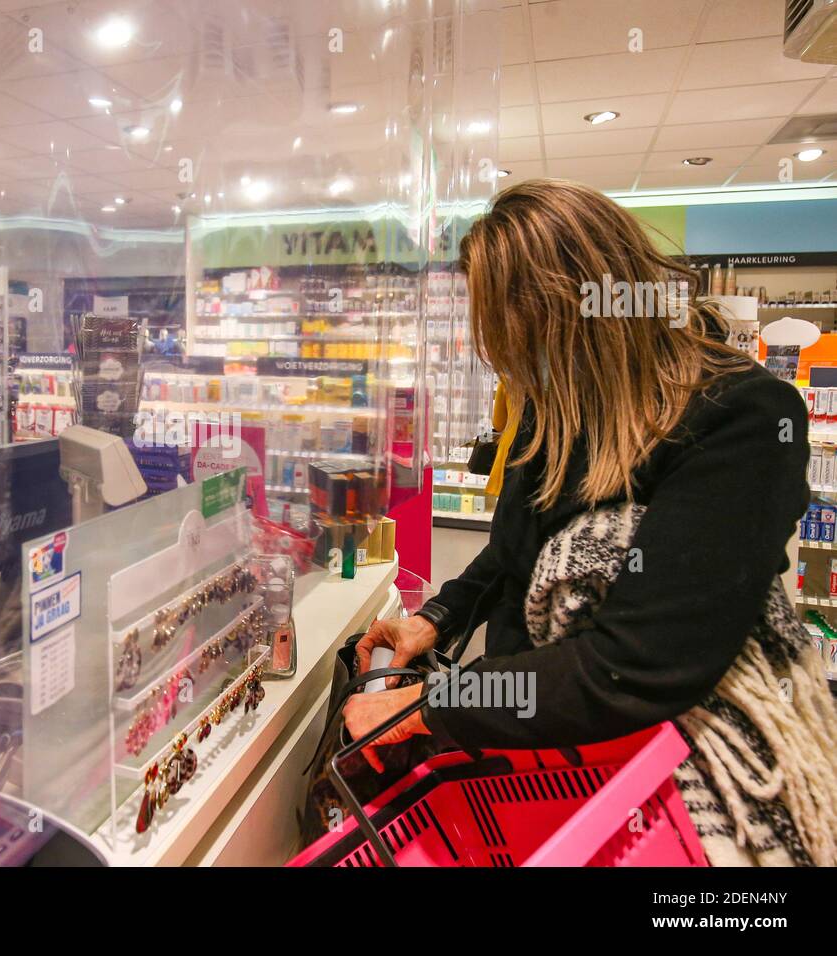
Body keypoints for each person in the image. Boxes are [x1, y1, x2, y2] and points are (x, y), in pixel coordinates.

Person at [345, 179, 837, 866]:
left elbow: (634, 665)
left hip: (674, 784)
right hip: (545, 750)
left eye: (504, 329)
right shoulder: (562, 402)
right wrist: (439, 617)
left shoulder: (745, 419)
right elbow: (517, 550)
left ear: (566, 312)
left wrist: (432, 703)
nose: (496, 354)